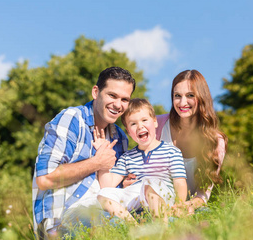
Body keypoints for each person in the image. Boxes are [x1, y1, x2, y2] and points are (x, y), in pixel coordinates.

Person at [32, 67, 135, 240]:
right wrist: (96, 162)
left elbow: (108, 190)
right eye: (112, 95)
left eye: (124, 99)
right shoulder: (72, 119)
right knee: (116, 228)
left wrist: (124, 184)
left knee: (160, 222)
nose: (118, 105)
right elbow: (45, 179)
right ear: (96, 92)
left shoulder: (121, 138)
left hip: (105, 210)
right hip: (63, 218)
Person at [96, 98, 188, 222]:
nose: (140, 126)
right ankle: (131, 225)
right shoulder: (127, 157)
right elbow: (107, 184)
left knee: (148, 184)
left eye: (144, 120)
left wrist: (180, 205)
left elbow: (179, 182)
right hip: (137, 195)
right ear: (128, 131)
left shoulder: (172, 151)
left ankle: (160, 224)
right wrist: (102, 155)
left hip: (162, 195)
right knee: (103, 194)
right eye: (133, 124)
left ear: (155, 122)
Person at [155, 70, 227, 216]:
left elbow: (202, 196)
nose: (182, 103)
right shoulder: (157, 125)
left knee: (206, 215)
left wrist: (183, 206)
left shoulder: (215, 141)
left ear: (201, 98)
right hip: (156, 204)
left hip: (190, 207)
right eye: (177, 96)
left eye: (190, 96)